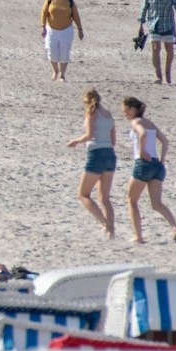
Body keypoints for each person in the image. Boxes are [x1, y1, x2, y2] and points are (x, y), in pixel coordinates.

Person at [122, 97, 176, 244]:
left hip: (143, 164)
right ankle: (174, 227)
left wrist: (142, 153)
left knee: (131, 200)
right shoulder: (151, 123)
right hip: (157, 166)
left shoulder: (136, 122)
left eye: (125, 110)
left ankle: (139, 236)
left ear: (132, 109)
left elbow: (142, 134)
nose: (124, 113)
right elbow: (165, 141)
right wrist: (161, 159)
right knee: (157, 204)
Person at [64, 89, 117, 239]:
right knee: (105, 198)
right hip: (110, 155)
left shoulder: (92, 113)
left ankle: (104, 223)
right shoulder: (109, 115)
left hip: (96, 154)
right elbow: (113, 141)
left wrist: (75, 141)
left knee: (83, 194)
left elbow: (89, 135)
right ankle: (110, 232)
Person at [138, 0, 176, 85]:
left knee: (170, 52)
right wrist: (141, 24)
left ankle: (168, 73)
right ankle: (158, 75)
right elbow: (144, 7)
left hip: (168, 25)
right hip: (153, 24)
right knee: (156, 49)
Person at [41, 0, 83, 81]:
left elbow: (76, 16)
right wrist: (43, 27)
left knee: (64, 52)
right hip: (51, 30)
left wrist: (80, 29)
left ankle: (62, 74)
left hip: (66, 30)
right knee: (51, 51)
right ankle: (55, 71)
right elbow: (44, 13)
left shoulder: (70, 1)